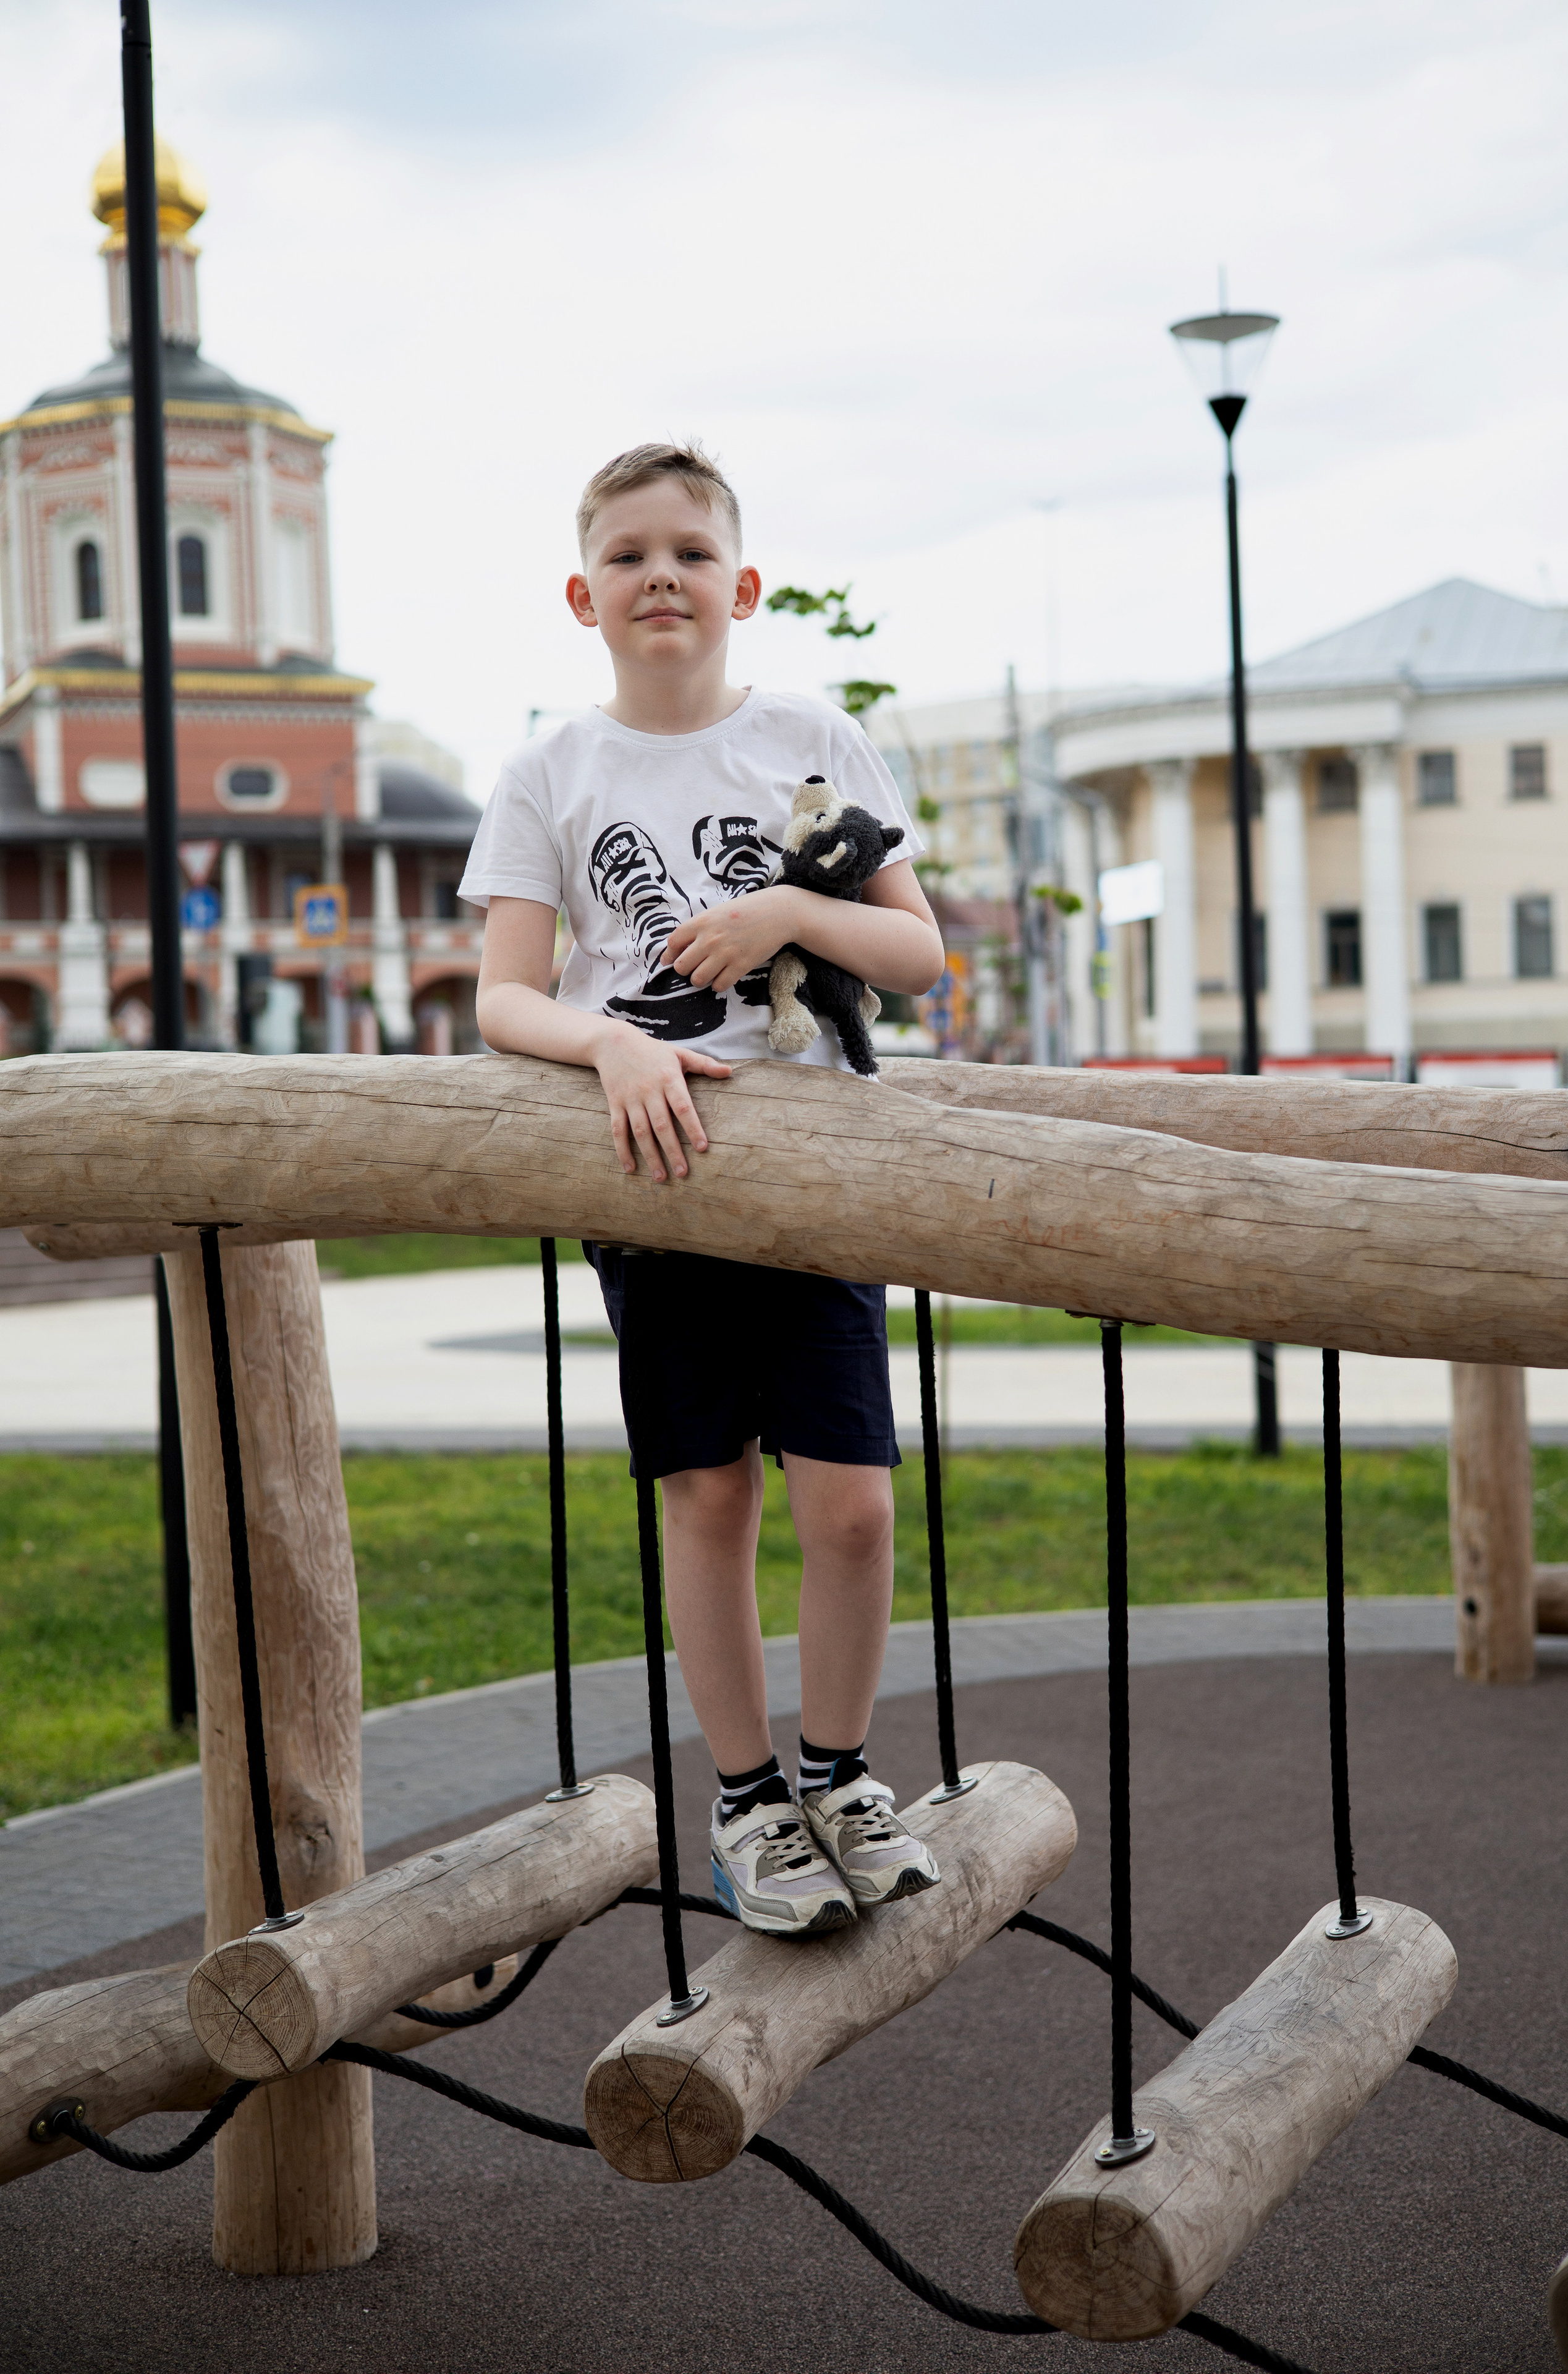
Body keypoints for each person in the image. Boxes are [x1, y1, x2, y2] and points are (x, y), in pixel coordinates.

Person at [463, 443, 946, 1937]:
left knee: (853, 1506)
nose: (657, 574)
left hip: (813, 1180)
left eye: (687, 551)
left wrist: (791, 909)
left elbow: (917, 957)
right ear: (581, 594)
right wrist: (607, 1045)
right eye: (626, 554)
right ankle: (748, 1806)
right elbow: (501, 997)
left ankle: (844, 1774)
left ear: (739, 586)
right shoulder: (551, 770)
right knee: (707, 1491)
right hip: (656, 1176)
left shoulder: (811, 733)